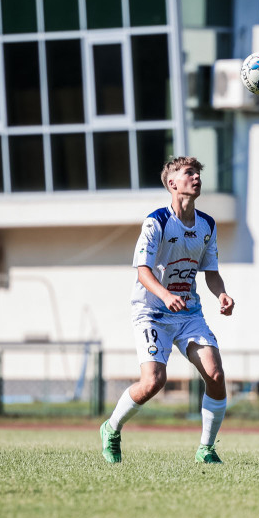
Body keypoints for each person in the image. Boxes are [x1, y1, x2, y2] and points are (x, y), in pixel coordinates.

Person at [100, 156, 236, 464]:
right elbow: (143, 271)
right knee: (153, 382)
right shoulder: (156, 222)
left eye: (198, 173)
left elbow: (210, 271)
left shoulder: (207, 225)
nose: (196, 178)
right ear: (172, 183)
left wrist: (222, 294)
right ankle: (111, 428)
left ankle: (206, 448)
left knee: (215, 374)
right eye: (189, 173)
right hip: (152, 313)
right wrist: (164, 295)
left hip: (188, 314)